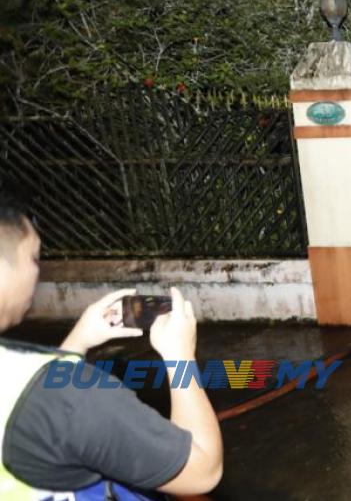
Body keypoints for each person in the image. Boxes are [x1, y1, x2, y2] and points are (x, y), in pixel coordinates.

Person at [0, 196, 223, 498]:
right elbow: (203, 472)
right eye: (34, 258)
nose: (38, 271)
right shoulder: (75, 399)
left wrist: (78, 342)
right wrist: (179, 356)